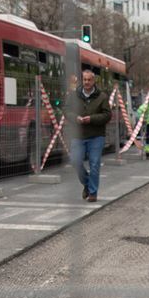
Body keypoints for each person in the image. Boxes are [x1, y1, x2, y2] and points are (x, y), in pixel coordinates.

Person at [66, 67, 112, 202]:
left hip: (96, 136)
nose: (86, 82)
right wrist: (75, 118)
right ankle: (87, 183)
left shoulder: (102, 96)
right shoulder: (74, 95)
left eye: (89, 80)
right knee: (75, 161)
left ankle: (93, 193)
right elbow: (66, 110)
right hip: (78, 135)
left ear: (94, 81)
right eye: (84, 80)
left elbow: (107, 115)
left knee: (95, 164)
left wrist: (91, 119)